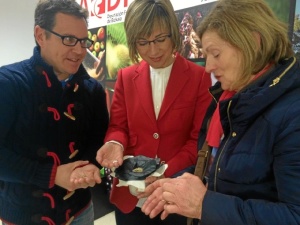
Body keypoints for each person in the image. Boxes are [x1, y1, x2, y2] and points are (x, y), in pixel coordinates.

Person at [138, 0, 300, 224]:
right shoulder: (226, 98)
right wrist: (173, 184)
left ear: (253, 43)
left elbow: (294, 215)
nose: (208, 68)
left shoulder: (292, 113)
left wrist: (204, 205)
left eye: (216, 54)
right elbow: (215, 168)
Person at [95, 0, 212, 224]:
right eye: (143, 42)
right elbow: (119, 127)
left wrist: (163, 171)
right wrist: (115, 143)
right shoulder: (126, 77)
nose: (153, 50)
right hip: (129, 197)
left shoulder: (199, 77)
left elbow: (197, 140)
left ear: (173, 33)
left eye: (160, 39)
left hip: (173, 196)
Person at [0, 0, 109, 224]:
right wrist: (51, 175)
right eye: (69, 39)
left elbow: (98, 142)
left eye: (83, 41)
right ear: (40, 35)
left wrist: (90, 166)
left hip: (80, 211)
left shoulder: (93, 90)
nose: (79, 50)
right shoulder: (8, 83)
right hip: (24, 216)